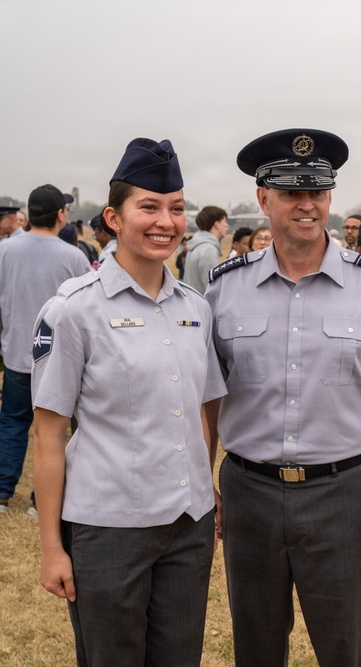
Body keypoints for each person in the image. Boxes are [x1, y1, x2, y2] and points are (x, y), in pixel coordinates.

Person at [205, 128, 361, 665]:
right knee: (256, 645)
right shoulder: (223, 289)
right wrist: (204, 480)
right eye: (291, 192)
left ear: (330, 197)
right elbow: (208, 395)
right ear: (264, 198)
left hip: (345, 495)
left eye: (318, 192)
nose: (307, 205)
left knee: (347, 646)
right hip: (249, 492)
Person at [31, 138, 225, 665]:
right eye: (150, 206)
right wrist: (52, 548)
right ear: (115, 218)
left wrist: (203, 496)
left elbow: (205, 414)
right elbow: (48, 435)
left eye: (177, 207)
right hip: (108, 528)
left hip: (187, 525)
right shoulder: (72, 310)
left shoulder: (196, 310)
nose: (166, 220)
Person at [0, 185, 92, 516]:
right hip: (61, 362)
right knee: (58, 431)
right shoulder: (74, 256)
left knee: (13, 423)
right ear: (61, 215)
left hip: (17, 355)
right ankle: (42, 501)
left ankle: (2, 493)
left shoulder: (6, 250)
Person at [185, 205, 228, 294]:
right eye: (224, 221)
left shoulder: (196, 245)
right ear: (217, 224)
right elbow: (214, 289)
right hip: (203, 306)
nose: (227, 225)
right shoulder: (208, 250)